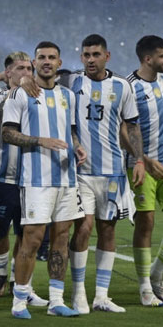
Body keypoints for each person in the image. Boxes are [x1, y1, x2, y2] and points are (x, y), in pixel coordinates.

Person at [2, 41, 86, 319]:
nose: (47, 61)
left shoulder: (67, 96)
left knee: (61, 238)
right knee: (33, 239)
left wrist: (77, 146)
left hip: (66, 178)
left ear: (60, 63)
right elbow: (7, 133)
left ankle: (56, 301)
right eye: (42, 57)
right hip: (36, 179)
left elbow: (70, 130)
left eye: (52, 57)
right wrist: (40, 140)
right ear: (34, 63)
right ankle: (19, 302)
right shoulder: (20, 94)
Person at [64, 34, 144, 313]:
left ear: (106, 56)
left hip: (113, 173)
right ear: (81, 56)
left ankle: (101, 296)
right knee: (83, 228)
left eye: (96, 54)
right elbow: (41, 80)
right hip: (82, 173)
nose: (90, 60)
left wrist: (139, 160)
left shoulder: (122, 86)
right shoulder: (72, 82)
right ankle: (78, 294)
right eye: (86, 55)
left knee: (107, 231)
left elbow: (132, 126)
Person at [0, 52, 48, 307]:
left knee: (27, 235)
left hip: (31, 178)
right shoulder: (0, 97)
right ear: (8, 73)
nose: (26, 73)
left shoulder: (39, 97)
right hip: (4, 177)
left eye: (29, 68)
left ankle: (21, 285)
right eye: (20, 68)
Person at [122, 35, 163, 306]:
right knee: (146, 222)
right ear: (148, 59)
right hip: (141, 165)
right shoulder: (129, 87)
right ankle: (145, 288)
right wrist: (145, 160)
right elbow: (122, 131)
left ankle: (157, 273)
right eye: (162, 56)